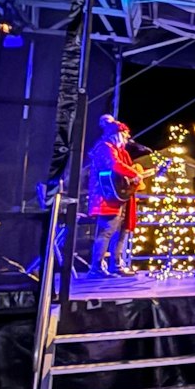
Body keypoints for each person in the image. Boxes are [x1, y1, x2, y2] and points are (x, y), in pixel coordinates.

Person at [82, 115, 139, 277]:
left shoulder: (119, 151)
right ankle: (96, 267)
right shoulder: (104, 147)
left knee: (120, 231)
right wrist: (133, 173)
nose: (127, 138)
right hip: (105, 196)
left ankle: (116, 264)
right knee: (106, 231)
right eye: (125, 135)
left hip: (116, 196)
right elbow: (114, 165)